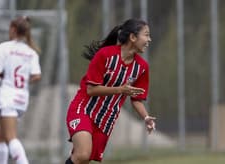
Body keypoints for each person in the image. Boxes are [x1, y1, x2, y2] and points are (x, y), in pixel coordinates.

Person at [65, 18, 156, 164]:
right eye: (146, 34)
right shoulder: (105, 55)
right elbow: (90, 90)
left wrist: (146, 117)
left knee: (83, 159)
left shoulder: (142, 67)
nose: (149, 39)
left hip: (106, 119)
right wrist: (120, 89)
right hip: (83, 109)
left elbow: (136, 99)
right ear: (132, 37)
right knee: (83, 154)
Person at [0, 16, 41, 164]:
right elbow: (37, 76)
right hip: (21, 98)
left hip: (7, 97)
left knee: (11, 138)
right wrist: (24, 80)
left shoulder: (5, 47)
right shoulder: (31, 52)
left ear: (13, 29)